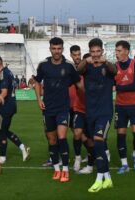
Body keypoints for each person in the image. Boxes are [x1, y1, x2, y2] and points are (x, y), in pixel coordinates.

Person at [34, 37, 83, 183]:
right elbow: (37, 82)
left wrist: (89, 95)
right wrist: (39, 99)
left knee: (62, 137)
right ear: (50, 48)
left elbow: (79, 83)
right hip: (48, 108)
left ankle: (66, 170)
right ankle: (56, 169)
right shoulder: (43, 65)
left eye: (59, 49)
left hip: (63, 108)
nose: (56, 51)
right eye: (54, 48)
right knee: (52, 139)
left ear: (62, 49)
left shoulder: (68, 66)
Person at [77, 38, 116, 192]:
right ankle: (108, 179)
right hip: (90, 113)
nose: (95, 55)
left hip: (105, 113)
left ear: (102, 51)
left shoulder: (108, 67)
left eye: (98, 51)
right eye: (92, 52)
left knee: (99, 142)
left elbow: (115, 71)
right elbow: (77, 71)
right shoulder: (87, 67)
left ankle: (99, 179)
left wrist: (106, 62)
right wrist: (84, 61)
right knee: (98, 145)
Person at [0, 55, 30, 164]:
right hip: (11, 105)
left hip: (6, 106)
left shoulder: (3, 74)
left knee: (0, 130)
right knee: (4, 130)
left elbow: (4, 93)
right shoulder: (9, 72)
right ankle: (22, 147)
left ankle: (2, 158)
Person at [114, 40, 135, 174]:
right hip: (120, 106)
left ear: (126, 51)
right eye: (116, 51)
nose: (116, 53)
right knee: (120, 135)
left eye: (119, 51)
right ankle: (124, 164)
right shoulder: (114, 66)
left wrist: (118, 87)